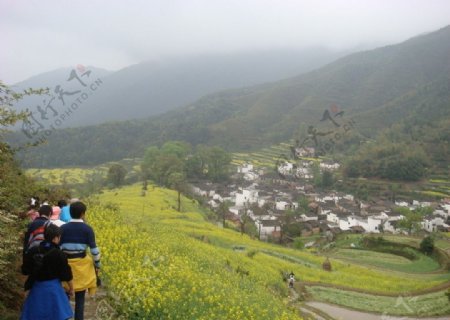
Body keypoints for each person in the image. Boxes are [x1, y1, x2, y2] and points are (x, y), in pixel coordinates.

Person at [21, 224, 73, 320]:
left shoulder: (33, 250)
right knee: (57, 315)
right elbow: (66, 274)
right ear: (55, 238)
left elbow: (25, 270)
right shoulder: (59, 254)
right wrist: (71, 288)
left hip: (36, 289)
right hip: (54, 291)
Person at [60, 201, 101, 320]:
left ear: (70, 213)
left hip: (65, 265)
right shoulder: (88, 229)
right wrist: (97, 264)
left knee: (64, 295)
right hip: (82, 266)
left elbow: (58, 247)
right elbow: (94, 250)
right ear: (83, 214)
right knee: (80, 298)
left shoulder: (63, 228)